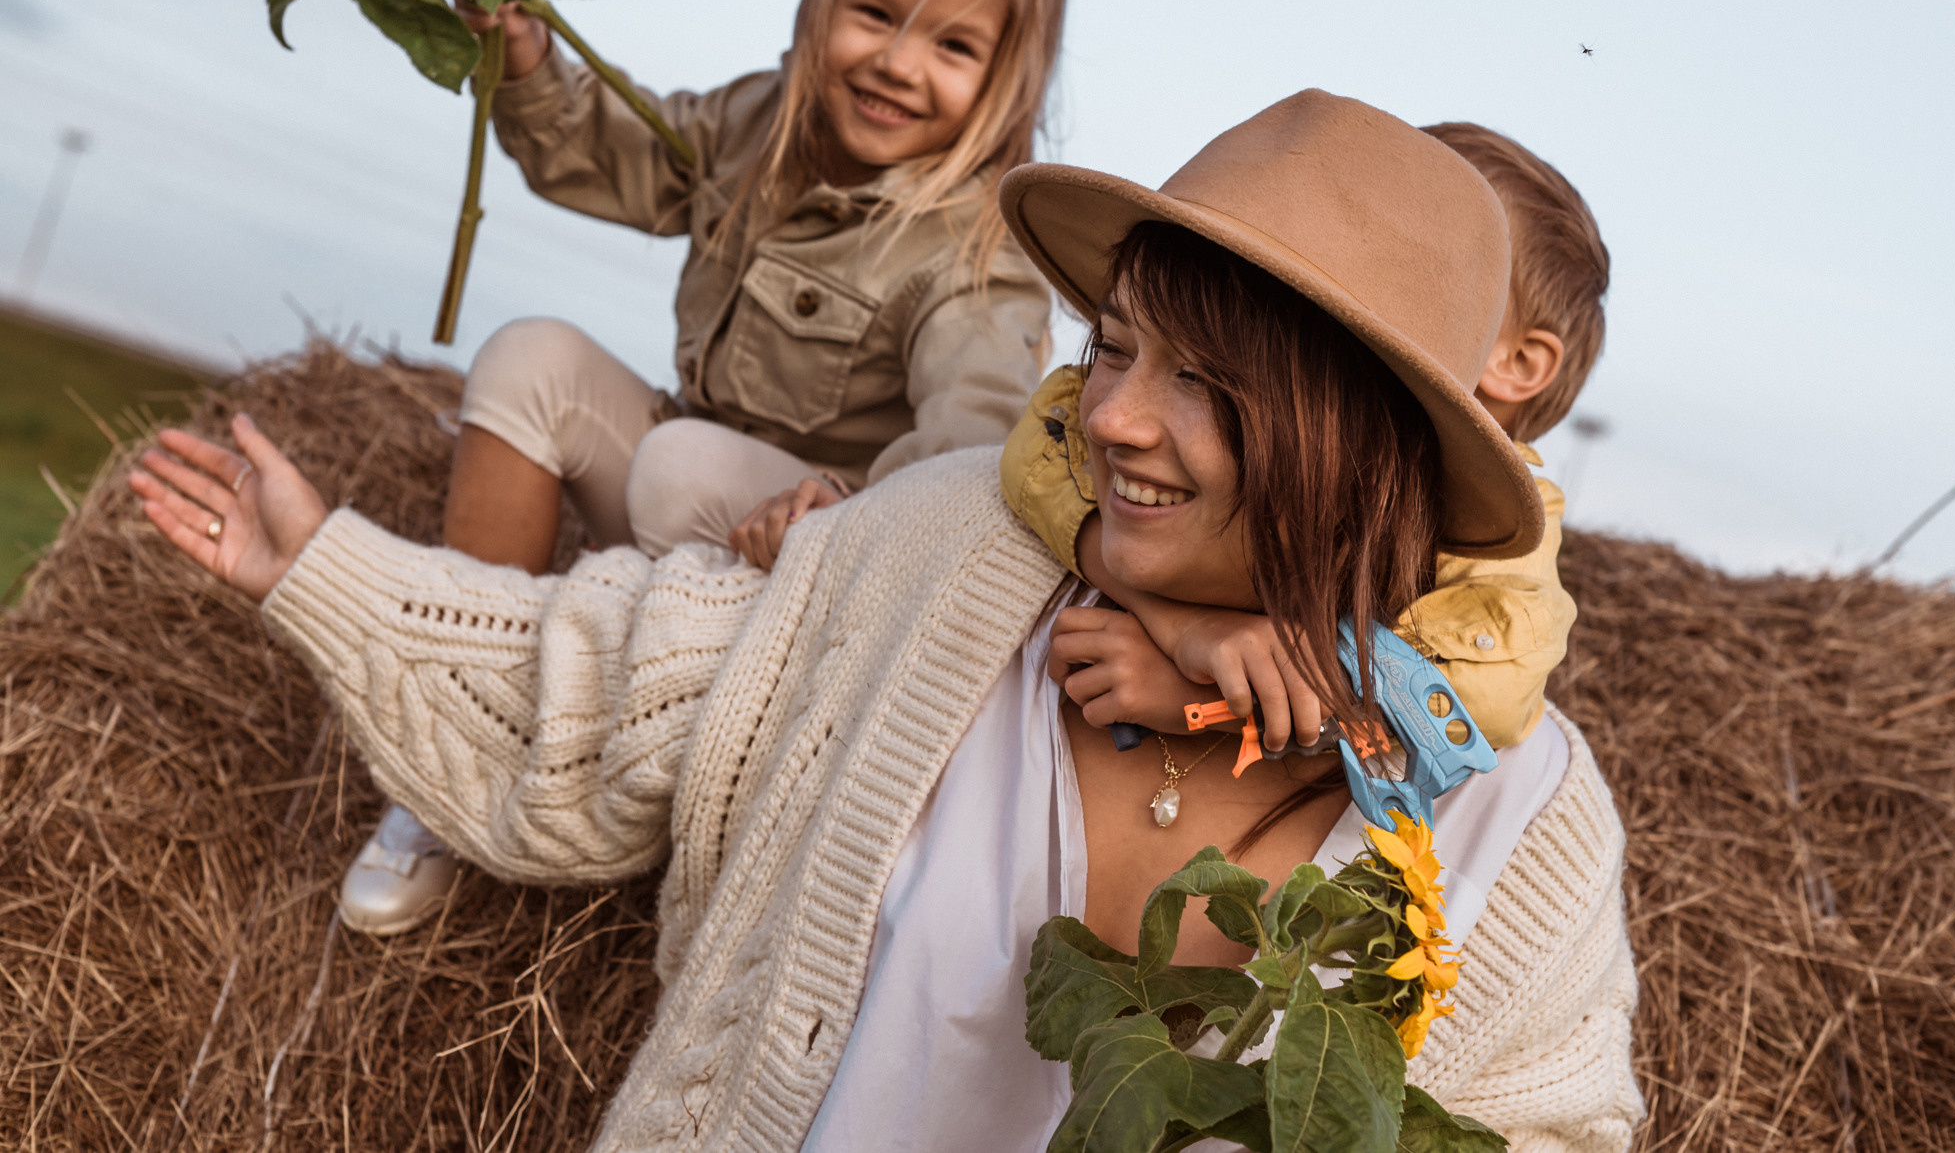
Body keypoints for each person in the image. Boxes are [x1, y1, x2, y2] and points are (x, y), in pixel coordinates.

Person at [131, 90, 1643, 1150]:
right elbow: (606, 692)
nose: (1108, 416)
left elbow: (1543, 1131)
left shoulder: (1521, 820)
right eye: (1112, 348)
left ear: (1359, 437)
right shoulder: (945, 559)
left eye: (1200, 383)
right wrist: (326, 566)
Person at [344, 0, 1070, 933]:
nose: (897, 63)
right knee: (529, 354)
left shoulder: (977, 249)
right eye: (873, 15)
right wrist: (532, 59)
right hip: (685, 497)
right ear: (822, 0)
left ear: (1004, 78)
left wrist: (845, 507)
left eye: (954, 45)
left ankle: (634, 744)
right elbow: (614, 151)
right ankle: (456, 731)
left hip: (813, 571)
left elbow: (974, 440)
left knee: (675, 464)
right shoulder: (757, 123)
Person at [1002, 121, 1609, 767]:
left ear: (1517, 361)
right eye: (1114, 350)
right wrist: (1180, 622)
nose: (1114, 420)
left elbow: (1486, 691)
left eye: (1444, 263)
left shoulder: (1505, 549)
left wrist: (1207, 700)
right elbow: (1043, 448)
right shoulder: (1001, 513)